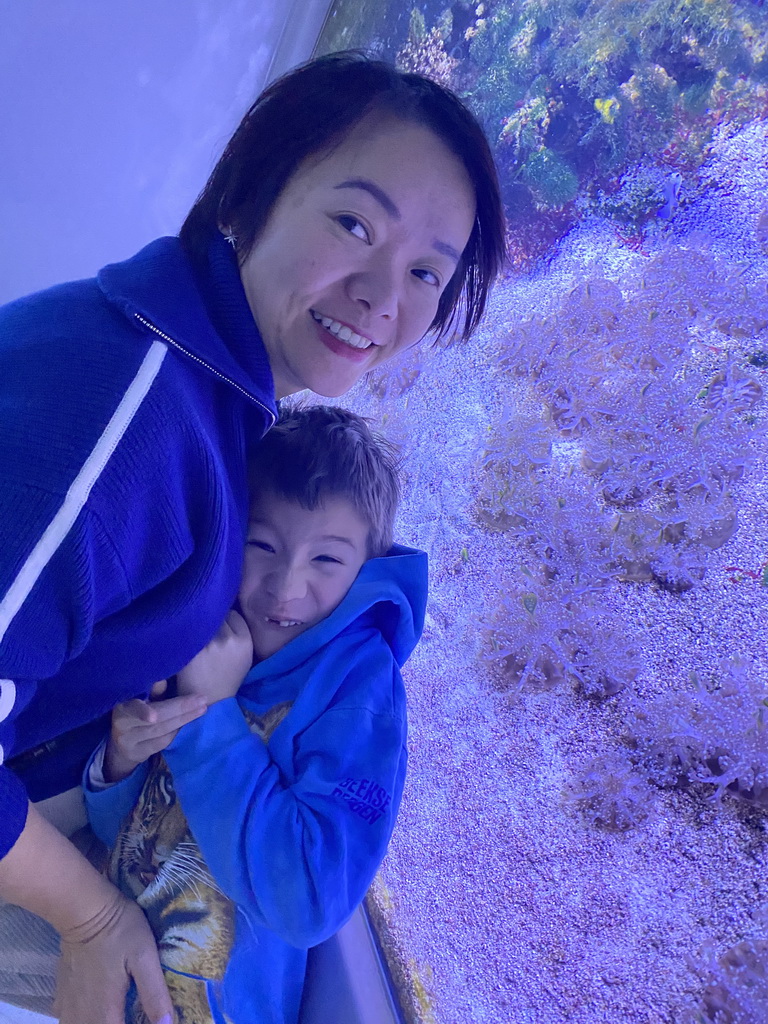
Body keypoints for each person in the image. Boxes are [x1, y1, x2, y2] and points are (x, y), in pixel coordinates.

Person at [0, 50, 505, 1024]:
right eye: (354, 222)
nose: (380, 294)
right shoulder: (138, 413)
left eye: (427, 272)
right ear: (257, 187)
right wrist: (96, 920)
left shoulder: (217, 400)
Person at [82, 405, 425, 1024]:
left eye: (326, 560)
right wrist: (117, 765)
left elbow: (309, 903)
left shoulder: (359, 690)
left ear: (367, 567)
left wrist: (215, 715)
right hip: (109, 947)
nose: (285, 585)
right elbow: (127, 838)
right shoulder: (208, 628)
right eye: (262, 544)